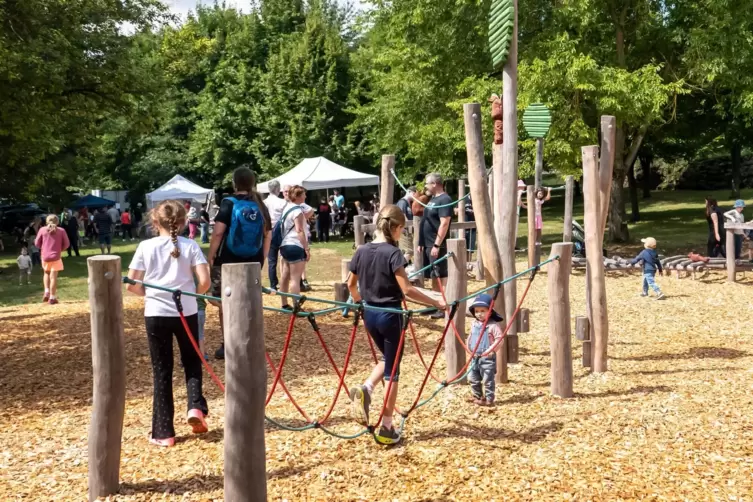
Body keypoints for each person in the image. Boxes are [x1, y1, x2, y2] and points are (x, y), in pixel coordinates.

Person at [347, 204, 448, 445]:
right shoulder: (393, 254)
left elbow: (351, 285)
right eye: (401, 230)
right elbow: (408, 290)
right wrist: (437, 302)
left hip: (370, 314)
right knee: (393, 372)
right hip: (391, 316)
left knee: (387, 358)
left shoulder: (361, 250)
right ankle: (387, 427)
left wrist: (362, 303)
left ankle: (367, 388)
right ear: (396, 228)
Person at [126, 200, 211, 447]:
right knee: (192, 362)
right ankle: (195, 406)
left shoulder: (145, 246)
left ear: (155, 221)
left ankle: (164, 432)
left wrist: (150, 295)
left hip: (156, 313)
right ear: (184, 222)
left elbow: (132, 284)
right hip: (187, 312)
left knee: (162, 371)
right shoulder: (191, 245)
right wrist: (192, 293)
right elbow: (204, 281)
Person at [208, 166, 272, 360]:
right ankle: (251, 340)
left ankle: (228, 341)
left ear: (234, 183)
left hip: (228, 259)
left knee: (222, 299)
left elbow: (219, 232)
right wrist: (263, 256)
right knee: (250, 299)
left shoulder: (228, 203)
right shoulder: (260, 204)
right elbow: (268, 233)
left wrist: (211, 255)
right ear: (252, 183)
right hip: (253, 259)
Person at [419, 173, 453, 318]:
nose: (425, 186)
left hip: (436, 244)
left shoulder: (445, 199)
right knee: (433, 275)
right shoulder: (433, 199)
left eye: (427, 183)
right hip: (427, 243)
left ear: (435, 184)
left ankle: (443, 306)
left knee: (440, 275)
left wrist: (437, 245)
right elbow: (425, 220)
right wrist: (421, 242)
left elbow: (444, 223)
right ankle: (435, 304)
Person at [467, 293, 504, 406]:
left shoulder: (493, 326)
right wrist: (468, 348)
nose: (479, 314)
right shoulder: (474, 324)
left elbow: (499, 339)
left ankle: (489, 399)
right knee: (473, 377)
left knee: (488, 379)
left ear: (490, 311)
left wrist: (491, 350)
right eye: (477, 311)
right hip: (475, 356)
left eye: (483, 311)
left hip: (487, 358)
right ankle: (478, 396)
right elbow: (470, 336)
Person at [279, 185, 310, 310]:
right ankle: (296, 305)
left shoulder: (287, 208)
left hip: (285, 244)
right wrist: (306, 248)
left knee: (285, 275)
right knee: (295, 278)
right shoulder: (297, 211)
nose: (305, 196)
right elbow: (299, 230)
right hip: (295, 245)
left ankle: (284, 303)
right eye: (303, 194)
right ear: (297, 196)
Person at [35, 215, 70, 305]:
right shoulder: (61, 231)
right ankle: (52, 297)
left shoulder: (42, 230)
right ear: (57, 222)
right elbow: (67, 244)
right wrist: (60, 249)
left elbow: (37, 243)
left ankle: (46, 291)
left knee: (46, 273)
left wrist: (43, 248)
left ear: (46, 221)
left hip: (45, 256)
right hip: (56, 256)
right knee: (53, 277)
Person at [264, 180, 288, 291]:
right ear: (278, 189)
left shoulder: (264, 202)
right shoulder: (282, 202)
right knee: (286, 258)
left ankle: (273, 284)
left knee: (272, 261)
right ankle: (289, 281)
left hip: (269, 231)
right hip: (281, 231)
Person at [396, 186, 416, 263]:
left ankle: (403, 268)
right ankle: (401, 267)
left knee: (408, 251)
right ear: (410, 192)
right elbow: (402, 215)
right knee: (408, 251)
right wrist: (406, 227)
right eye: (414, 194)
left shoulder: (408, 203)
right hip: (404, 230)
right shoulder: (402, 202)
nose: (415, 197)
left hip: (408, 230)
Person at [515, 180, 526, 251]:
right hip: (514, 214)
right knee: (514, 230)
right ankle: (513, 245)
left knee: (516, 230)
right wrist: (519, 194)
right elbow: (517, 203)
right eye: (521, 187)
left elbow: (522, 205)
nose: (523, 188)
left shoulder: (518, 195)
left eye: (523, 187)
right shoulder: (516, 195)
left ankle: (514, 245)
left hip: (517, 213)